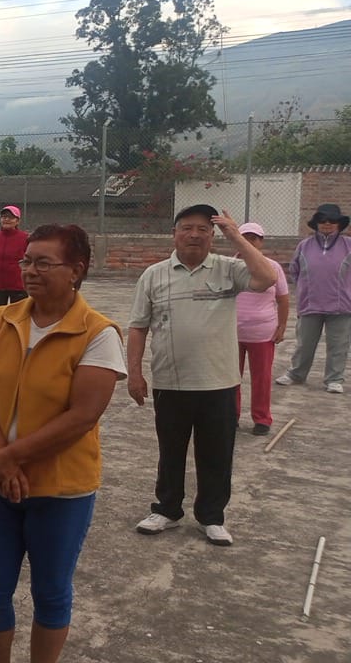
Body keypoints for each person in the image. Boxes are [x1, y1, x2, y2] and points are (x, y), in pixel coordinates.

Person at [0, 223, 124, 663]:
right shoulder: (4, 319)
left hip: (60, 490)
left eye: (43, 263)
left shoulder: (98, 333)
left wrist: (9, 458)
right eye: (27, 261)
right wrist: (0, 461)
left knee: (50, 590)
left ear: (76, 270)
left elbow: (83, 416)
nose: (30, 270)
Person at [128, 205, 276, 546]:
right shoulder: (153, 275)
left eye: (203, 229)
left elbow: (267, 278)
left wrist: (235, 234)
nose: (194, 234)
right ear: (174, 233)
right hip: (170, 382)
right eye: (187, 228)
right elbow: (138, 327)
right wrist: (135, 373)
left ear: (213, 236)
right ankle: (166, 510)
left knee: (217, 454)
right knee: (171, 452)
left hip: (219, 382)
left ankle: (211, 517)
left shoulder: (229, 269)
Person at [276, 203, 351, 395]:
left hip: (341, 306)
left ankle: (334, 379)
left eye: (332, 220)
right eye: (322, 220)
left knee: (338, 346)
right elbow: (295, 270)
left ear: (339, 224)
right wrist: (305, 289)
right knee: (304, 344)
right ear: (316, 222)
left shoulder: (348, 245)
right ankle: (296, 374)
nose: (327, 223)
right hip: (310, 304)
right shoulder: (304, 245)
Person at [234, 223, 289, 435]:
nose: (249, 242)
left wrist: (281, 326)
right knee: (230, 378)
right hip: (231, 333)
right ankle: (230, 415)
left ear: (261, 242)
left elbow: (283, 299)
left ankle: (262, 419)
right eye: (244, 237)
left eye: (254, 238)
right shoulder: (230, 266)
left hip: (262, 333)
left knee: (262, 379)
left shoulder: (272, 267)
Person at [0, 205, 29, 313]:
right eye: (4, 217)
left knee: (18, 316)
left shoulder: (25, 238)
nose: (6, 219)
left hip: (18, 284)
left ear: (17, 221)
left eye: (10, 217)